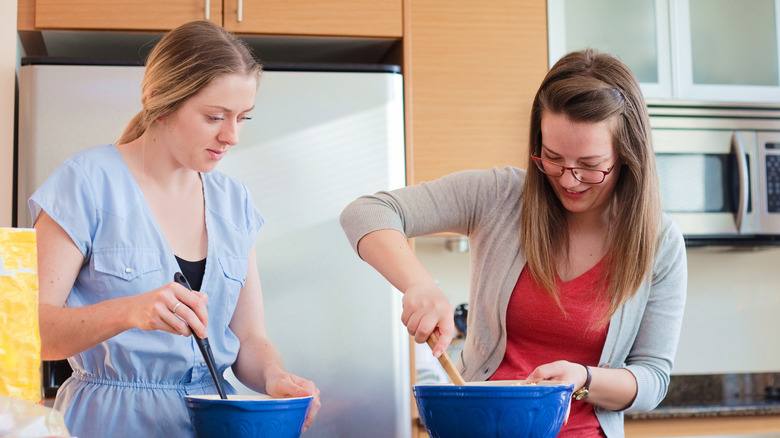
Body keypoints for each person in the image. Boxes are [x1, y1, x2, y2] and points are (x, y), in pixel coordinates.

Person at [340, 48, 686, 437]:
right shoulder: (498, 196)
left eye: (589, 165)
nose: (568, 180)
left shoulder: (659, 241)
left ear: (627, 156)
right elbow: (366, 212)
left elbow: (653, 378)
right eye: (552, 158)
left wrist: (584, 378)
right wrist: (418, 284)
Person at [32, 20, 320, 438]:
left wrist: (275, 376)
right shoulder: (86, 184)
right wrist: (130, 311)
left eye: (243, 118)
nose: (232, 136)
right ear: (157, 100)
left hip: (212, 424)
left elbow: (250, 339)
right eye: (214, 117)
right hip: (106, 424)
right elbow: (29, 332)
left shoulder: (233, 202)